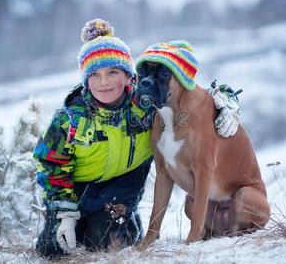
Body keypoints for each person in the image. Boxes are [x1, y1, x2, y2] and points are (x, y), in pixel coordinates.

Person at [33, 19, 240, 259]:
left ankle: (128, 225)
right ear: (85, 80)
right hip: (75, 190)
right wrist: (64, 212)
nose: (104, 82)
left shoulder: (144, 105)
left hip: (121, 188)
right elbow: (49, 164)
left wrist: (228, 101)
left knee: (103, 239)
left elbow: (191, 91)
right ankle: (70, 221)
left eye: (113, 72)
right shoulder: (71, 118)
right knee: (52, 249)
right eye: (95, 75)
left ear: (129, 76)